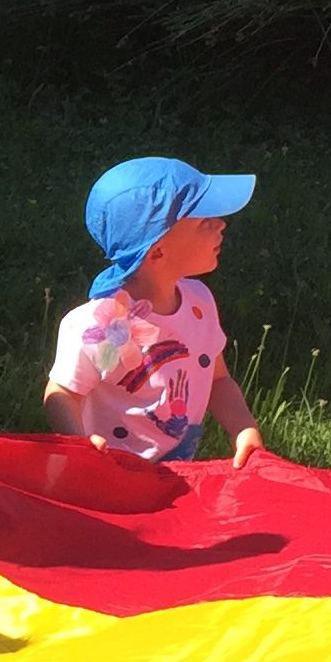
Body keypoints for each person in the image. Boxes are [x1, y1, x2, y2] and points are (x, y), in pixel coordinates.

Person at [44, 156, 272, 466]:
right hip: (105, 473)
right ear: (157, 251)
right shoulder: (100, 327)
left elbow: (218, 381)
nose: (221, 223)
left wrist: (244, 428)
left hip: (175, 471)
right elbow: (61, 393)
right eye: (204, 220)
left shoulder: (199, 303)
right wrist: (80, 442)